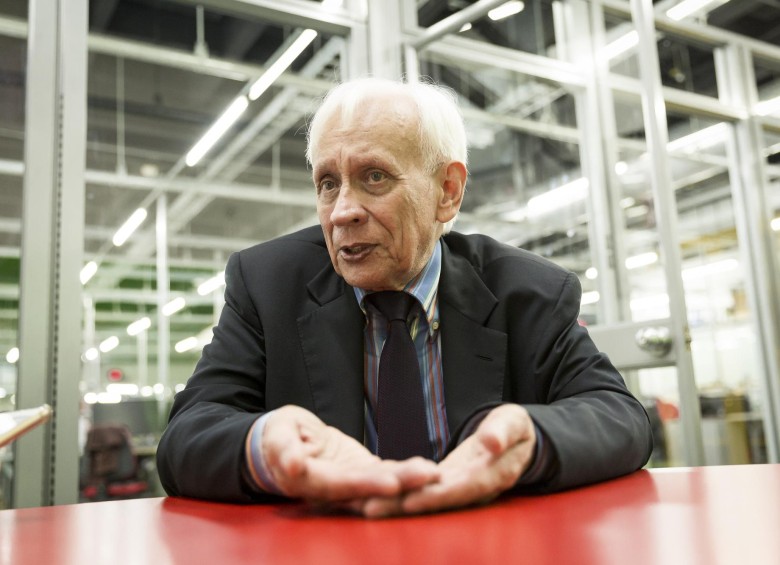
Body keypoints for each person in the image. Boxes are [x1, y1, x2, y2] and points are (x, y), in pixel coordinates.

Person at [156, 77, 653, 517]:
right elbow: (186, 438)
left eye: (375, 176)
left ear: (448, 191)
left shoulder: (528, 292)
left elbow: (621, 417)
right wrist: (264, 445)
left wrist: (531, 439)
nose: (341, 212)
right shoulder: (267, 285)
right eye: (328, 183)